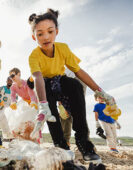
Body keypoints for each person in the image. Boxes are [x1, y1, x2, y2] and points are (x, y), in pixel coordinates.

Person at [28, 8, 117, 163]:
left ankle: (84, 144)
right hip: (45, 84)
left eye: (50, 31)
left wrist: (100, 91)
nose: (46, 37)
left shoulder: (63, 48)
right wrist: (43, 104)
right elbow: (38, 78)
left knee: (75, 85)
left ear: (56, 31)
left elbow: (78, 71)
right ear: (33, 37)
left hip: (61, 80)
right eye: (40, 34)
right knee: (50, 110)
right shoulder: (34, 55)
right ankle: (61, 147)